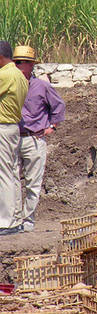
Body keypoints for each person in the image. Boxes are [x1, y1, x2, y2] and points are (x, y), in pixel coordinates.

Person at [13, 45, 65, 232]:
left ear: (30, 65)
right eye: (15, 62)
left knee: (33, 183)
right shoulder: (8, 84)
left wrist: (52, 127)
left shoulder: (41, 86)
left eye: (20, 63)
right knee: (11, 181)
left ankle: (28, 221)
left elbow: (58, 106)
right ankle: (14, 219)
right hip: (11, 138)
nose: (16, 66)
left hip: (34, 138)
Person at [0, 41, 27, 235]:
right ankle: (16, 217)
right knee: (12, 173)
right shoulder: (19, 75)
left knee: (4, 174)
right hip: (13, 128)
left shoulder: (5, 75)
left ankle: (6, 221)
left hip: (3, 126)